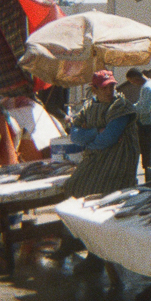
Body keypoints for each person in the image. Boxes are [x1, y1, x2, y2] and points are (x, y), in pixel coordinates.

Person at [60, 70, 140, 275]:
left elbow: (109, 138)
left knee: (97, 196)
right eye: (105, 88)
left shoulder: (121, 107)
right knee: (71, 187)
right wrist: (96, 132)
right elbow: (75, 136)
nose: (110, 91)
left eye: (112, 86)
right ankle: (70, 240)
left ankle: (95, 257)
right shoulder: (89, 107)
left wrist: (91, 140)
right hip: (97, 158)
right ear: (94, 89)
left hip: (118, 162)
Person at [126, 67, 151, 169]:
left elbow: (145, 109)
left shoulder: (147, 88)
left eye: (131, 81)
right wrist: (132, 106)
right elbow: (141, 103)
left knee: (148, 158)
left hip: (148, 126)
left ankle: (150, 182)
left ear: (136, 78)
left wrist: (131, 111)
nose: (133, 84)